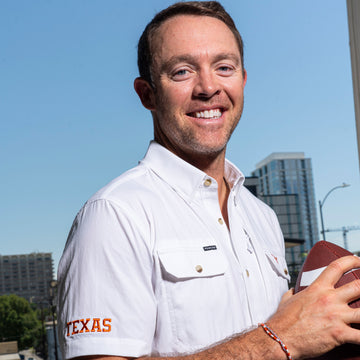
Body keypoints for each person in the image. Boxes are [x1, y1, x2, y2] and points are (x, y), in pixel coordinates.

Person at [57, 2, 360, 359]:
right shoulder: (114, 215)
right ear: (147, 94)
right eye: (183, 71)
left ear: (243, 81)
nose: (208, 87)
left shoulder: (262, 218)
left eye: (224, 67)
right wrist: (278, 338)